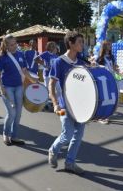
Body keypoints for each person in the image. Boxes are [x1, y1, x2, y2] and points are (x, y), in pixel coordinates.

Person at [48, 31, 86, 175]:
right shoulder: (59, 62)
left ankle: (70, 163)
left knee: (78, 135)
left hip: (81, 107)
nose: (82, 45)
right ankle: (53, 150)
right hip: (63, 106)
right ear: (70, 43)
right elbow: (51, 84)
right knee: (67, 134)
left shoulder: (82, 62)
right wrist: (55, 103)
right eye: (80, 42)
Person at [0, 35, 37, 146]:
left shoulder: (20, 54)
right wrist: (0, 86)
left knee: (18, 114)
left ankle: (14, 137)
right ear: (6, 45)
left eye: (15, 43)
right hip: (7, 87)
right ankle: (6, 134)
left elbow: (24, 70)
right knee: (11, 113)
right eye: (11, 44)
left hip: (19, 87)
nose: (14, 46)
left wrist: (34, 81)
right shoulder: (2, 56)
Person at [96, 40, 119, 124]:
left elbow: (114, 67)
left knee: (111, 98)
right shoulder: (100, 58)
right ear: (104, 46)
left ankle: (105, 115)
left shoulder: (112, 56)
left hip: (111, 78)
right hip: (103, 80)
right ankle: (101, 117)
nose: (110, 46)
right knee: (104, 99)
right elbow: (96, 68)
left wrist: (117, 69)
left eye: (110, 45)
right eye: (109, 45)